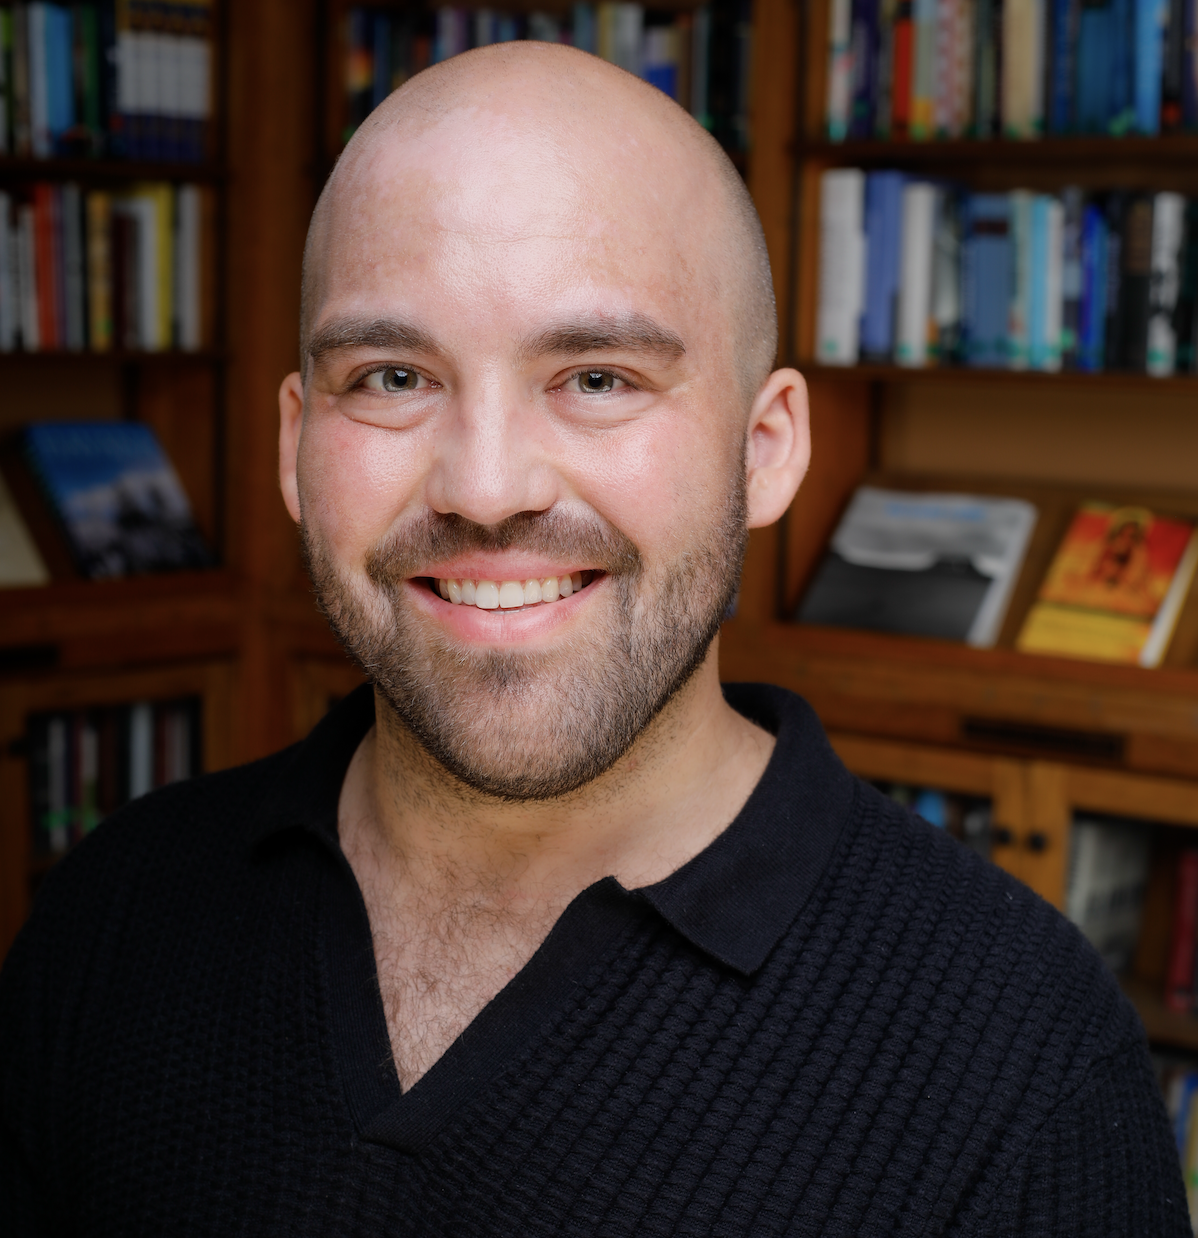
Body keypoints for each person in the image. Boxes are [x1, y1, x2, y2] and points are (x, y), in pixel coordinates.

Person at [0, 43, 1187, 1237]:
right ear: (295, 446)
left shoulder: (1027, 1066)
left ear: (766, 448)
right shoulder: (115, 910)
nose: (485, 487)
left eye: (599, 378)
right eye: (393, 376)